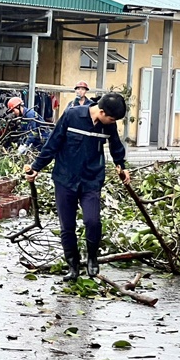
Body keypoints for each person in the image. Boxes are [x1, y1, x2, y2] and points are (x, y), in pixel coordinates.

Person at [25, 92, 130, 282]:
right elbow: (53, 143)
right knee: (67, 226)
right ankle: (73, 266)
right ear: (102, 111)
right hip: (65, 179)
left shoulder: (109, 125)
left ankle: (92, 258)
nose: (113, 122)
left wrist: (121, 165)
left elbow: (116, 146)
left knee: (93, 221)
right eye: (112, 118)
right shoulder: (72, 115)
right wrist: (36, 167)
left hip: (91, 180)